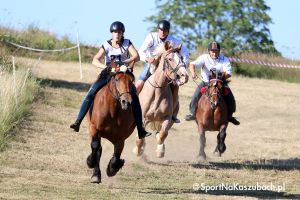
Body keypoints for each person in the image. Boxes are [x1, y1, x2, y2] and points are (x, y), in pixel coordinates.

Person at [70, 21, 151, 139]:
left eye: (119, 32)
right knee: (91, 92)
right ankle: (78, 121)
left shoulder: (127, 43)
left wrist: (125, 62)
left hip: (123, 74)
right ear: (111, 34)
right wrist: (106, 67)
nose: (116, 34)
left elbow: (136, 56)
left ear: (123, 33)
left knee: (135, 99)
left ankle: (140, 129)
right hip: (109, 74)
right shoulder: (106, 45)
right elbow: (95, 60)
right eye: (114, 32)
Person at [135, 19, 189, 123]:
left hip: (167, 67)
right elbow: (141, 51)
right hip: (152, 64)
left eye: (165, 30)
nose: (163, 32)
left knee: (175, 86)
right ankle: (132, 108)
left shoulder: (174, 41)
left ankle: (173, 113)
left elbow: (185, 52)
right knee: (138, 84)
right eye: (161, 30)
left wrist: (183, 65)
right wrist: (147, 59)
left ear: (168, 31)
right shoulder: (151, 37)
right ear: (157, 30)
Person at [185, 41, 240, 125]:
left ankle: (230, 116)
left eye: (216, 51)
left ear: (219, 51)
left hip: (220, 83)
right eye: (212, 51)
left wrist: (218, 79)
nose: (214, 53)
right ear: (209, 51)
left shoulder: (224, 59)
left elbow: (228, 73)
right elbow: (192, 64)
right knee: (195, 96)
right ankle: (193, 114)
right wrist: (193, 72)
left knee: (230, 97)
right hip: (206, 82)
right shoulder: (204, 57)